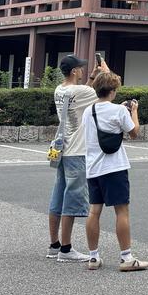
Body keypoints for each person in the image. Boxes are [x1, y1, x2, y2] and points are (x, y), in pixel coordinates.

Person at [82, 71, 148, 273]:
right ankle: (126, 257)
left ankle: (93, 257)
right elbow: (134, 132)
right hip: (114, 168)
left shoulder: (88, 111)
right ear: (112, 91)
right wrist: (133, 111)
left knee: (94, 211)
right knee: (121, 211)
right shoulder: (119, 111)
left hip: (93, 168)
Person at [47, 54, 99, 262]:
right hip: (77, 151)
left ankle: (54, 245)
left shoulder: (60, 90)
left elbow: (81, 95)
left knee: (58, 195)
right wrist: (103, 72)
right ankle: (66, 249)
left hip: (62, 148)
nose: (83, 71)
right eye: (81, 68)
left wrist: (92, 77)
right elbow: (105, 92)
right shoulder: (81, 91)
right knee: (72, 197)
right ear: (75, 71)